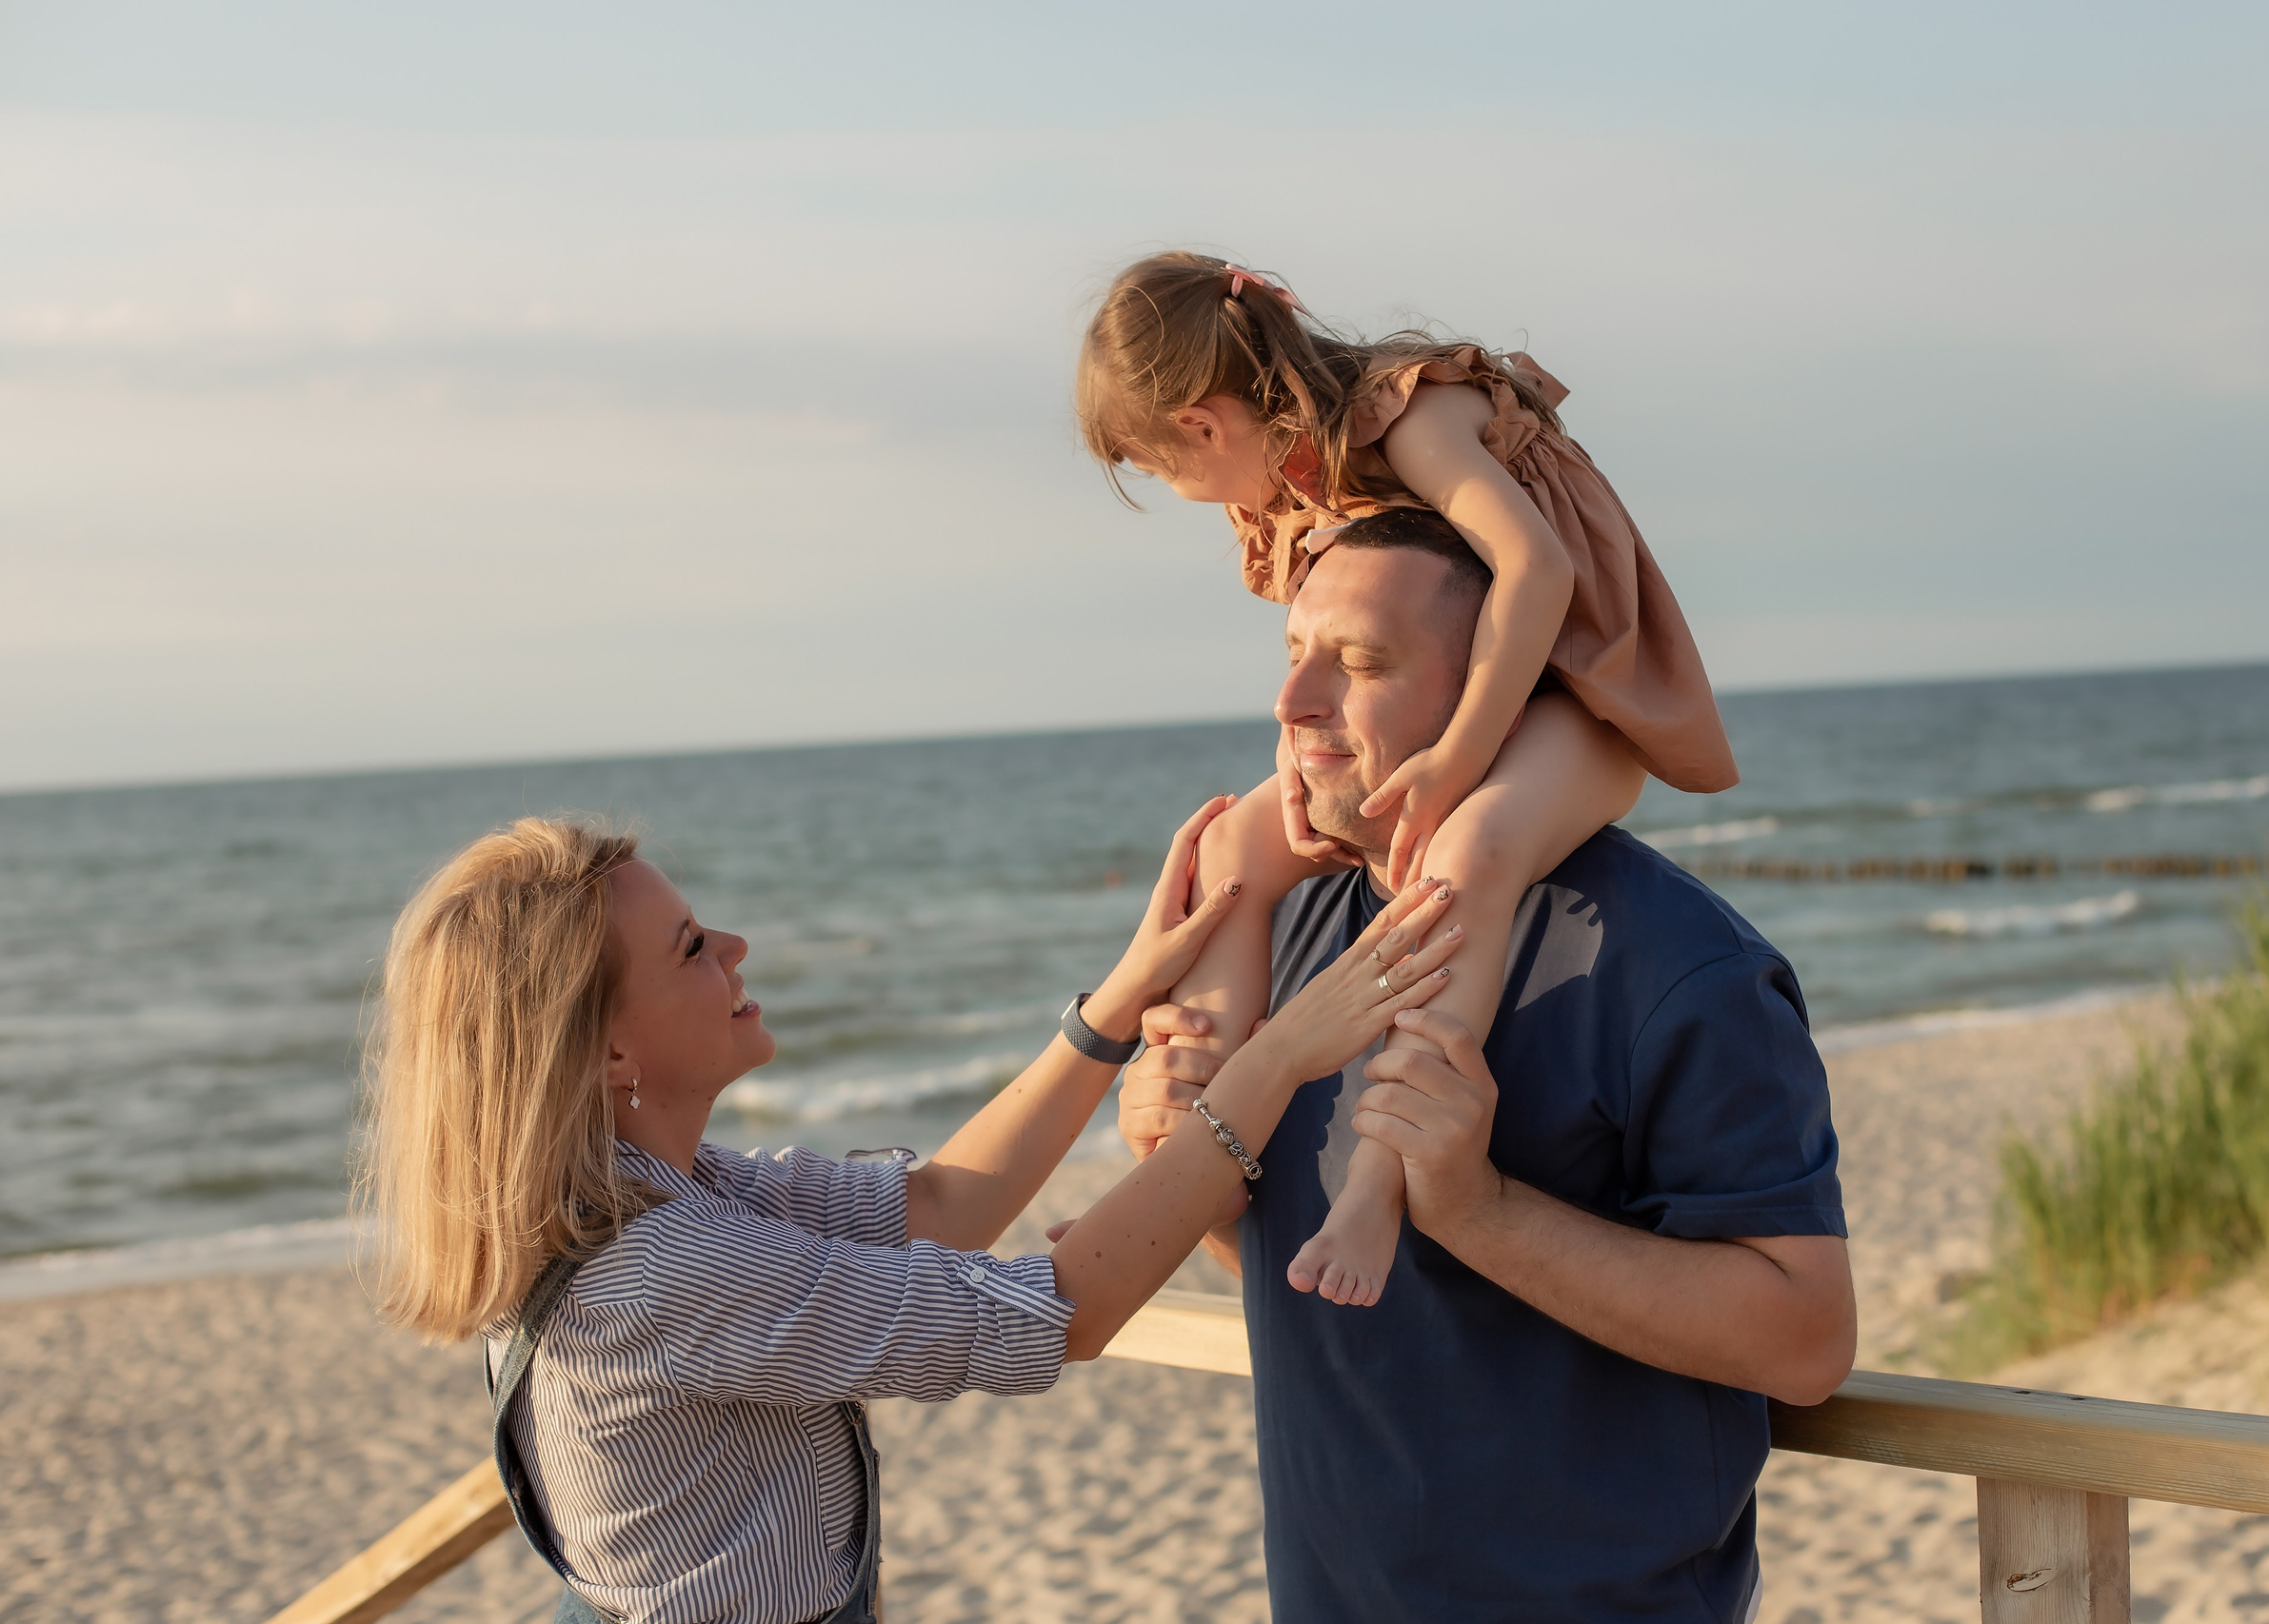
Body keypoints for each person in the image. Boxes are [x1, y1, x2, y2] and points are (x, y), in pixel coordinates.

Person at [359, 798, 1464, 1624]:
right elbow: (1064, 1312)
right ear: (603, 1048)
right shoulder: (661, 1271)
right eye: (693, 947)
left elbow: (938, 1205)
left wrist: (1119, 1000)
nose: (735, 949)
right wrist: (1274, 1059)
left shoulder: (655, 1189)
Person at [1117, 514, 1855, 1621]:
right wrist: (1195, 1161)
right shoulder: (1285, 931)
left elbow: (1805, 1340)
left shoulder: (1675, 966)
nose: (1295, 701)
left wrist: (1477, 1207)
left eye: (1360, 664)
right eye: (1294, 654)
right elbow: (1319, 1282)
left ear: (1492, 699)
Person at [1078, 249, 1740, 1308]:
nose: (1180, 494)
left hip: (1576, 691)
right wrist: (1301, 766)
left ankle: (1378, 1186)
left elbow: (1538, 570)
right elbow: (1339, 657)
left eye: (1162, 471)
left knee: (1465, 850)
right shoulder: (1293, 485)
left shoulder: (1405, 415)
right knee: (1228, 849)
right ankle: (1189, 1158)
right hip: (1460, 706)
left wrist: (1460, 756)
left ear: (1202, 422)